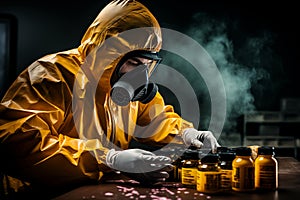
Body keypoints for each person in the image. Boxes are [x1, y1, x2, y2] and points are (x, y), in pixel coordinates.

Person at [0, 0, 220, 197]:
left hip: (90, 191)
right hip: (36, 193)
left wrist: (187, 133)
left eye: (147, 65)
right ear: (108, 53)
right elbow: (17, 144)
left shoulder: (126, 90)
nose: (140, 75)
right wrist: (109, 159)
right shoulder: (50, 76)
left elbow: (156, 118)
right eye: (134, 63)